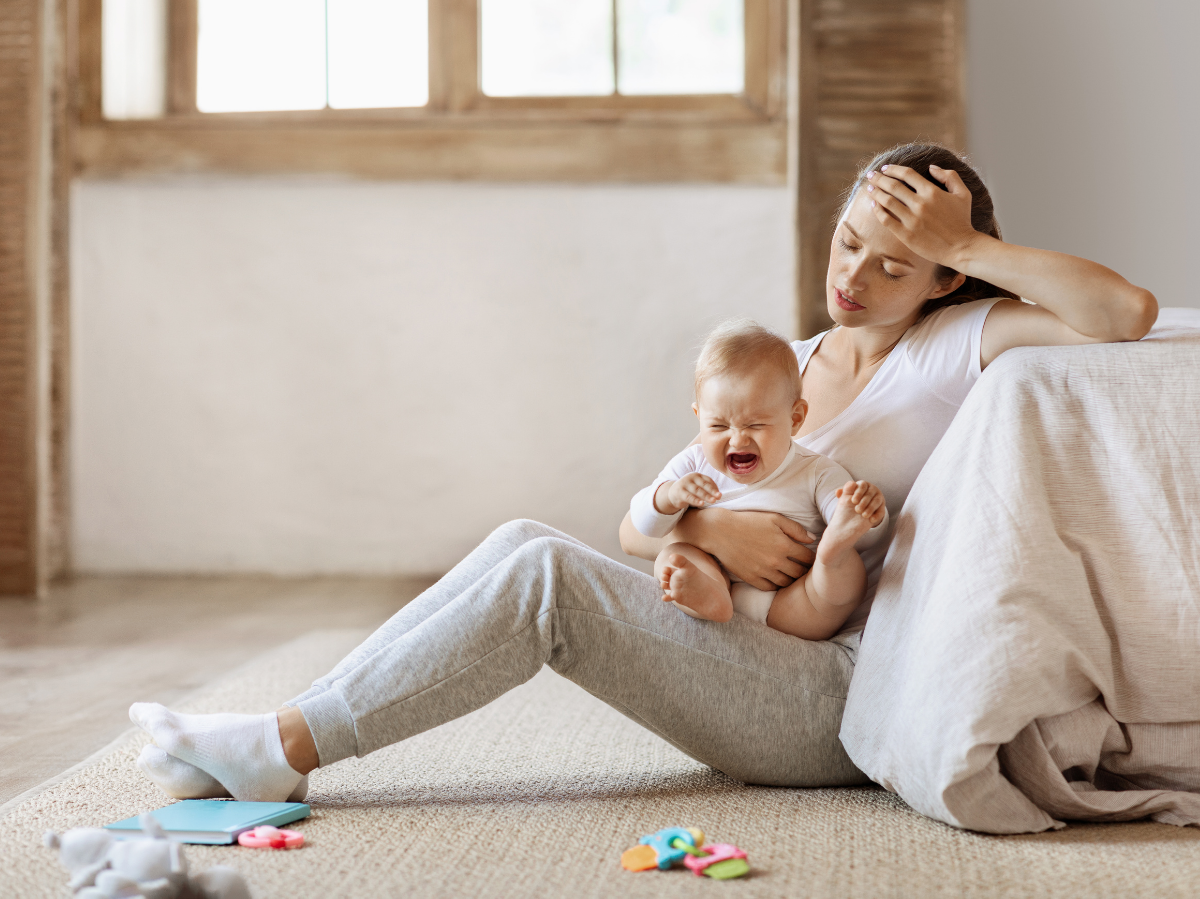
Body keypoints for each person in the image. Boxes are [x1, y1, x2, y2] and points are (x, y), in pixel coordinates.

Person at [128, 143, 1158, 802]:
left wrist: (973, 240)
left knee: (545, 585)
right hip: (745, 646)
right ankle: (285, 731)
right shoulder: (787, 367)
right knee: (526, 542)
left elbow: (1125, 317)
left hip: (836, 702)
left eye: (894, 264)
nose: (853, 276)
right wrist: (706, 533)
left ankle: (281, 747)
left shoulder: (958, 341)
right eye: (849, 243)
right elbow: (640, 530)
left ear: (943, 275)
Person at [629, 318, 887, 638]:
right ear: (699, 417)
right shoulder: (692, 465)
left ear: (795, 419)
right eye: (719, 427)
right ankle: (707, 595)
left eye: (755, 426)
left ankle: (830, 554)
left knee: (846, 571)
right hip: (715, 579)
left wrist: (857, 515)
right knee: (673, 559)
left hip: (790, 601)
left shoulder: (814, 470)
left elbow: (860, 533)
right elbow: (643, 524)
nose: (737, 440)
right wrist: (668, 496)